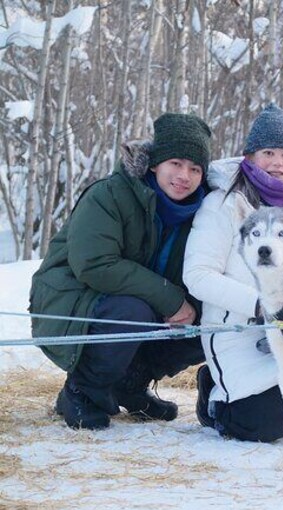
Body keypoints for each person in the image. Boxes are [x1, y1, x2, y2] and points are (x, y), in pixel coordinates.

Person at [30, 113, 212, 430]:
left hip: (140, 303)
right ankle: (82, 391)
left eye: (195, 169)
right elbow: (95, 265)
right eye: (176, 164)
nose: (185, 175)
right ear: (155, 163)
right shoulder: (110, 194)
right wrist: (170, 299)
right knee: (132, 309)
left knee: (210, 312)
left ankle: (130, 382)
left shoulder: (202, 210)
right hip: (72, 301)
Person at [184, 103, 283, 443]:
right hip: (238, 332)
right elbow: (198, 274)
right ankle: (215, 394)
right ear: (249, 156)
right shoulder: (224, 204)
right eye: (268, 152)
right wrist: (261, 305)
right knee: (262, 426)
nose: (277, 164)